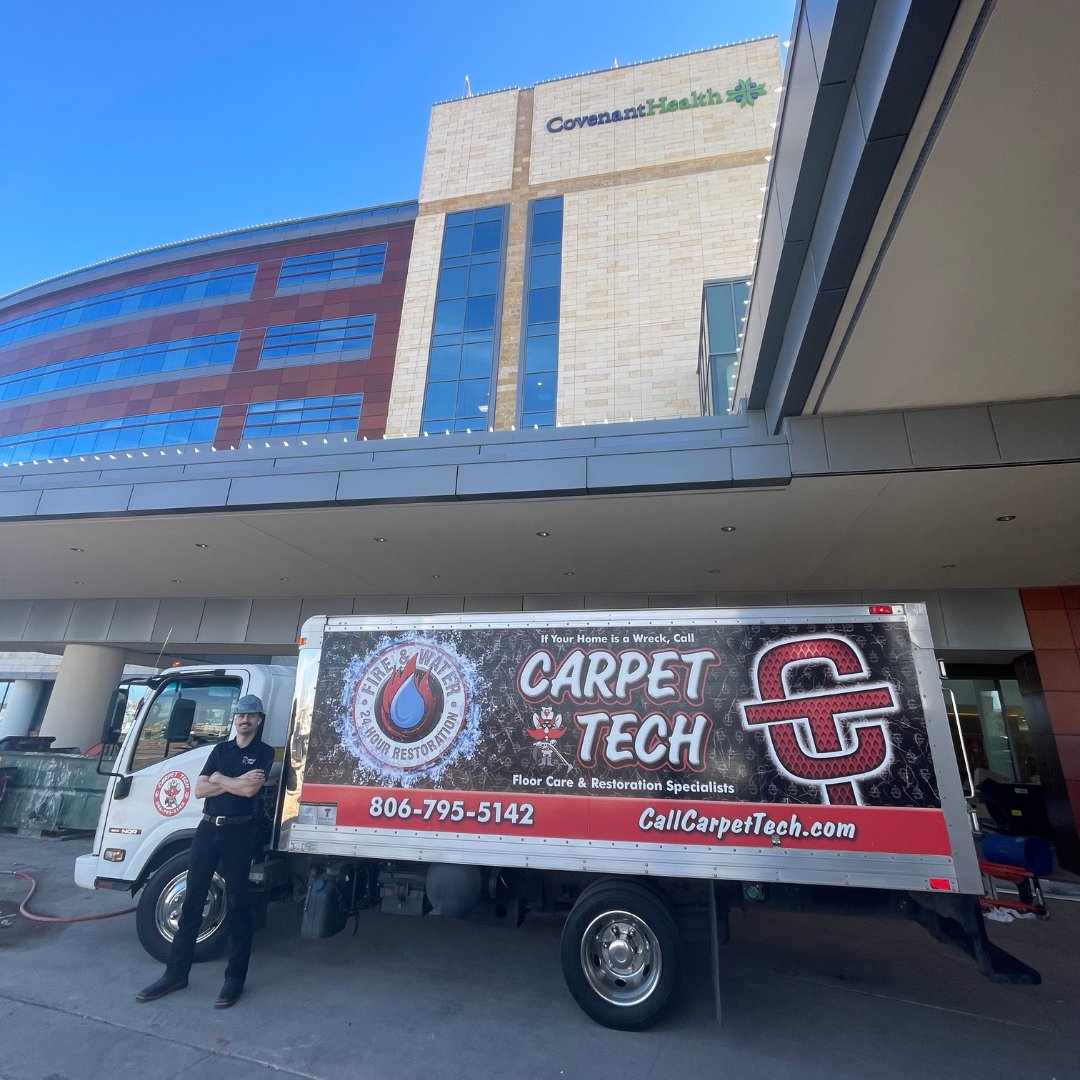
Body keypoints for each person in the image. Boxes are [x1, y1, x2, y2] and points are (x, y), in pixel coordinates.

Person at [136, 694, 275, 1008]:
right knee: (192, 902)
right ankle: (175, 974)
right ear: (235, 719)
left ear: (259, 720)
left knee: (239, 906)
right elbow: (200, 789)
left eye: (251, 716)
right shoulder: (220, 749)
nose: (245, 720)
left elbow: (251, 789)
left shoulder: (264, 753)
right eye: (241, 715)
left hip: (240, 832)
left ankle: (233, 981)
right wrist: (233, 782)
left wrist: (221, 779)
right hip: (208, 829)